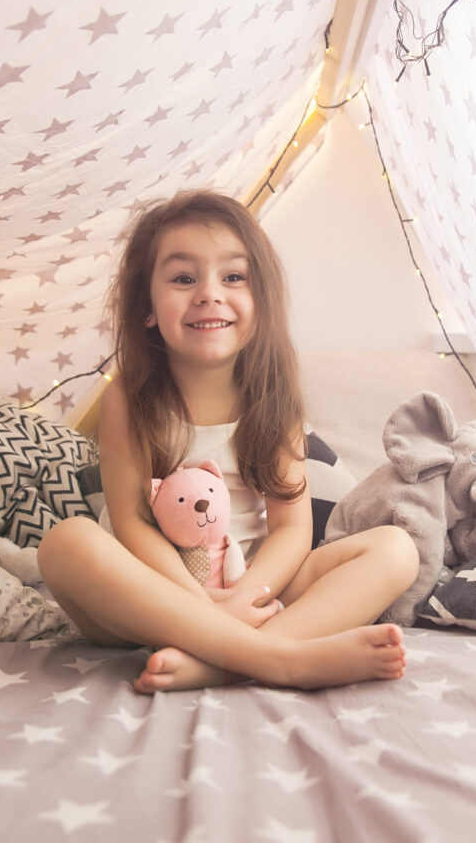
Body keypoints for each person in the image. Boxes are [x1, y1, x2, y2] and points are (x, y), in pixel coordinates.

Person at [38, 189, 419, 692]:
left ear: (259, 301)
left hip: (255, 585)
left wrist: (245, 595)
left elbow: (290, 530)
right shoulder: (127, 397)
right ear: (147, 307)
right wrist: (200, 604)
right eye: (182, 278)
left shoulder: (274, 397)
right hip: (148, 598)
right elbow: (130, 523)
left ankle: (216, 665)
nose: (209, 293)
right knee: (64, 542)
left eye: (233, 277)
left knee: (396, 549)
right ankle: (282, 661)